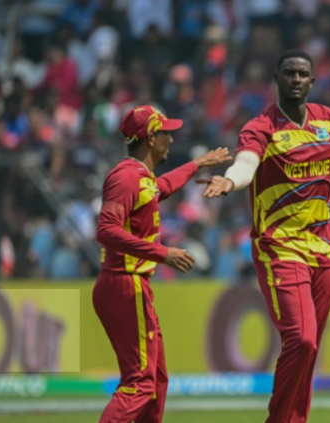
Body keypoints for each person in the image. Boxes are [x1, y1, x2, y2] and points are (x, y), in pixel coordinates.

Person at [200, 49, 330, 423]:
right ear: (277, 79)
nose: (296, 80)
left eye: (303, 74)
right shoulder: (261, 126)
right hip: (279, 246)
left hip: (323, 248)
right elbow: (247, 164)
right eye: (289, 74)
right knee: (302, 339)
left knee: (308, 351)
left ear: (313, 81)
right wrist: (231, 180)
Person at [93, 105, 231, 423]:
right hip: (124, 285)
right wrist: (162, 252)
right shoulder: (126, 177)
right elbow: (106, 230)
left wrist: (197, 163)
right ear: (151, 138)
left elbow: (161, 188)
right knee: (140, 383)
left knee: (155, 381)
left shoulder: (140, 176)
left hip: (128, 286)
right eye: (166, 133)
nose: (171, 139)